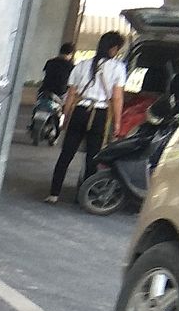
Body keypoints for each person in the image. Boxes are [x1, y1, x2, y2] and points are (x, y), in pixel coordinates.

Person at [47, 31, 127, 203]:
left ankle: (54, 194)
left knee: (66, 154)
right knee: (92, 156)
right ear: (113, 49)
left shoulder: (81, 65)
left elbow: (71, 95)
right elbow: (117, 98)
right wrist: (118, 123)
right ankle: (84, 196)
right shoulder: (118, 68)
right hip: (100, 114)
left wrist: (66, 117)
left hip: (80, 111)